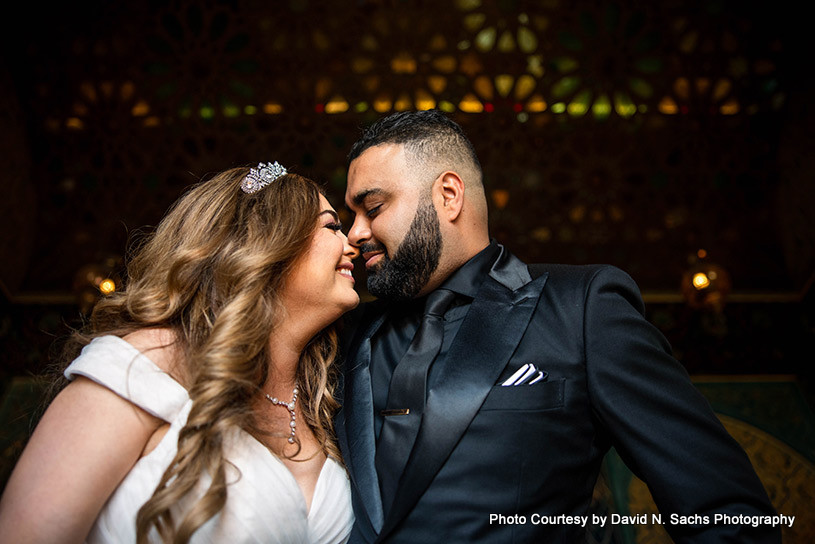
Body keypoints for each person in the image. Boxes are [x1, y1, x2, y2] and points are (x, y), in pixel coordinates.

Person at [335, 110, 781, 543]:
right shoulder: (348, 333)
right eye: (351, 216)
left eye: (373, 207)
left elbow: (728, 512)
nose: (355, 233)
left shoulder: (584, 308)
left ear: (449, 195)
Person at [0, 163, 358, 543]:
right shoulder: (148, 361)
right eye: (332, 226)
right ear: (267, 240)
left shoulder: (325, 398)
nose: (351, 241)